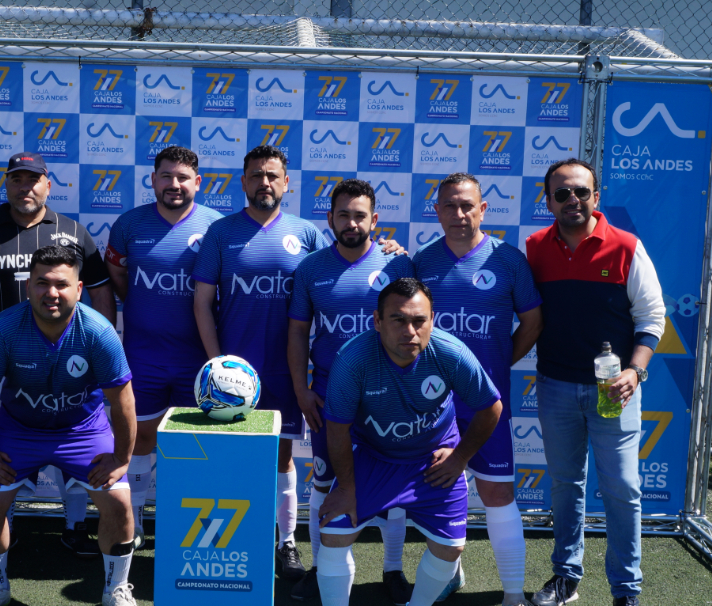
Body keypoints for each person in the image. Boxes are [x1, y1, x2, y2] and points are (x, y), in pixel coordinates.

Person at [0, 151, 117, 558]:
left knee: (77, 448)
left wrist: (103, 348)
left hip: (71, 362)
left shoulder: (72, 232)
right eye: (17, 180)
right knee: (0, 454)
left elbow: (100, 292)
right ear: (6, 184)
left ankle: (75, 527)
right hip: (2, 367)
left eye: (33, 180)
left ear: (47, 185)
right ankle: (4, 527)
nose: (25, 187)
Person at [0, 245, 138, 606]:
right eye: (42, 283)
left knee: (119, 503)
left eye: (62, 284)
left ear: (79, 288)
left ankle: (116, 588)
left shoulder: (99, 332)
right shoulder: (3, 329)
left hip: (83, 430)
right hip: (19, 430)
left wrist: (121, 458)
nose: (51, 293)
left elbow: (123, 402)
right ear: (28, 286)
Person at [525, 158, 664, 606]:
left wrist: (634, 371)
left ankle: (626, 590)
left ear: (596, 197)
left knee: (622, 488)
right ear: (548, 201)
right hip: (555, 386)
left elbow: (652, 318)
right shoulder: (533, 248)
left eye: (581, 191)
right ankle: (566, 577)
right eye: (562, 193)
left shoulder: (626, 246)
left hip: (614, 392)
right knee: (566, 485)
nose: (573, 199)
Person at [317, 278, 503, 606]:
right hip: (373, 456)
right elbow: (337, 430)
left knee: (451, 549)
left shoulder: (451, 353)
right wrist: (346, 488)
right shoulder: (352, 360)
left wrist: (460, 458)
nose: (410, 331)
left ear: (432, 320)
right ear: (377, 321)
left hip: (433, 460)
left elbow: (491, 408)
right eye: (398, 320)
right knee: (333, 536)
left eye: (419, 321)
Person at [191, 145, 330, 582]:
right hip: (232, 375)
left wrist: (385, 249)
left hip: (286, 370)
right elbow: (202, 302)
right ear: (243, 182)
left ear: (286, 183)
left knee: (282, 458)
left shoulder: (306, 234)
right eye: (256, 175)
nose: (264, 183)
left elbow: (341, 273)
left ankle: (286, 541)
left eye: (272, 176)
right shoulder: (221, 232)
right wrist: (217, 365)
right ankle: (235, 538)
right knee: (231, 457)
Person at [412, 172, 543, 606]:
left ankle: (512, 595)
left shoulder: (508, 260)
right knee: (437, 491)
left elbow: (533, 322)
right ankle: (450, 576)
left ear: (483, 209)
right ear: (437, 211)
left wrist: (496, 365)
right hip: (433, 405)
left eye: (467, 205)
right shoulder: (422, 262)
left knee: (497, 493)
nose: (459, 213)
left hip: (487, 404)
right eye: (449, 205)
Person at [286, 179, 415, 604]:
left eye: (360, 215)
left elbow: (416, 330)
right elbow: (298, 332)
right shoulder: (311, 268)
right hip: (328, 393)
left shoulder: (399, 264)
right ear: (330, 218)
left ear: (374, 220)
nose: (351, 223)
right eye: (343, 215)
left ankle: (392, 570)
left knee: (392, 483)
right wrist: (302, 389)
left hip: (389, 392)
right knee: (325, 480)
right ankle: (320, 569)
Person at [105, 146, 223, 545]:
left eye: (183, 177)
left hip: (197, 358)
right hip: (144, 355)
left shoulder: (216, 226)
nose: (174, 184)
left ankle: (184, 525)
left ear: (197, 183)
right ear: (153, 179)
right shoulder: (129, 224)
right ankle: (135, 518)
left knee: (192, 444)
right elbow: (118, 278)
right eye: (167, 176)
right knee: (140, 439)